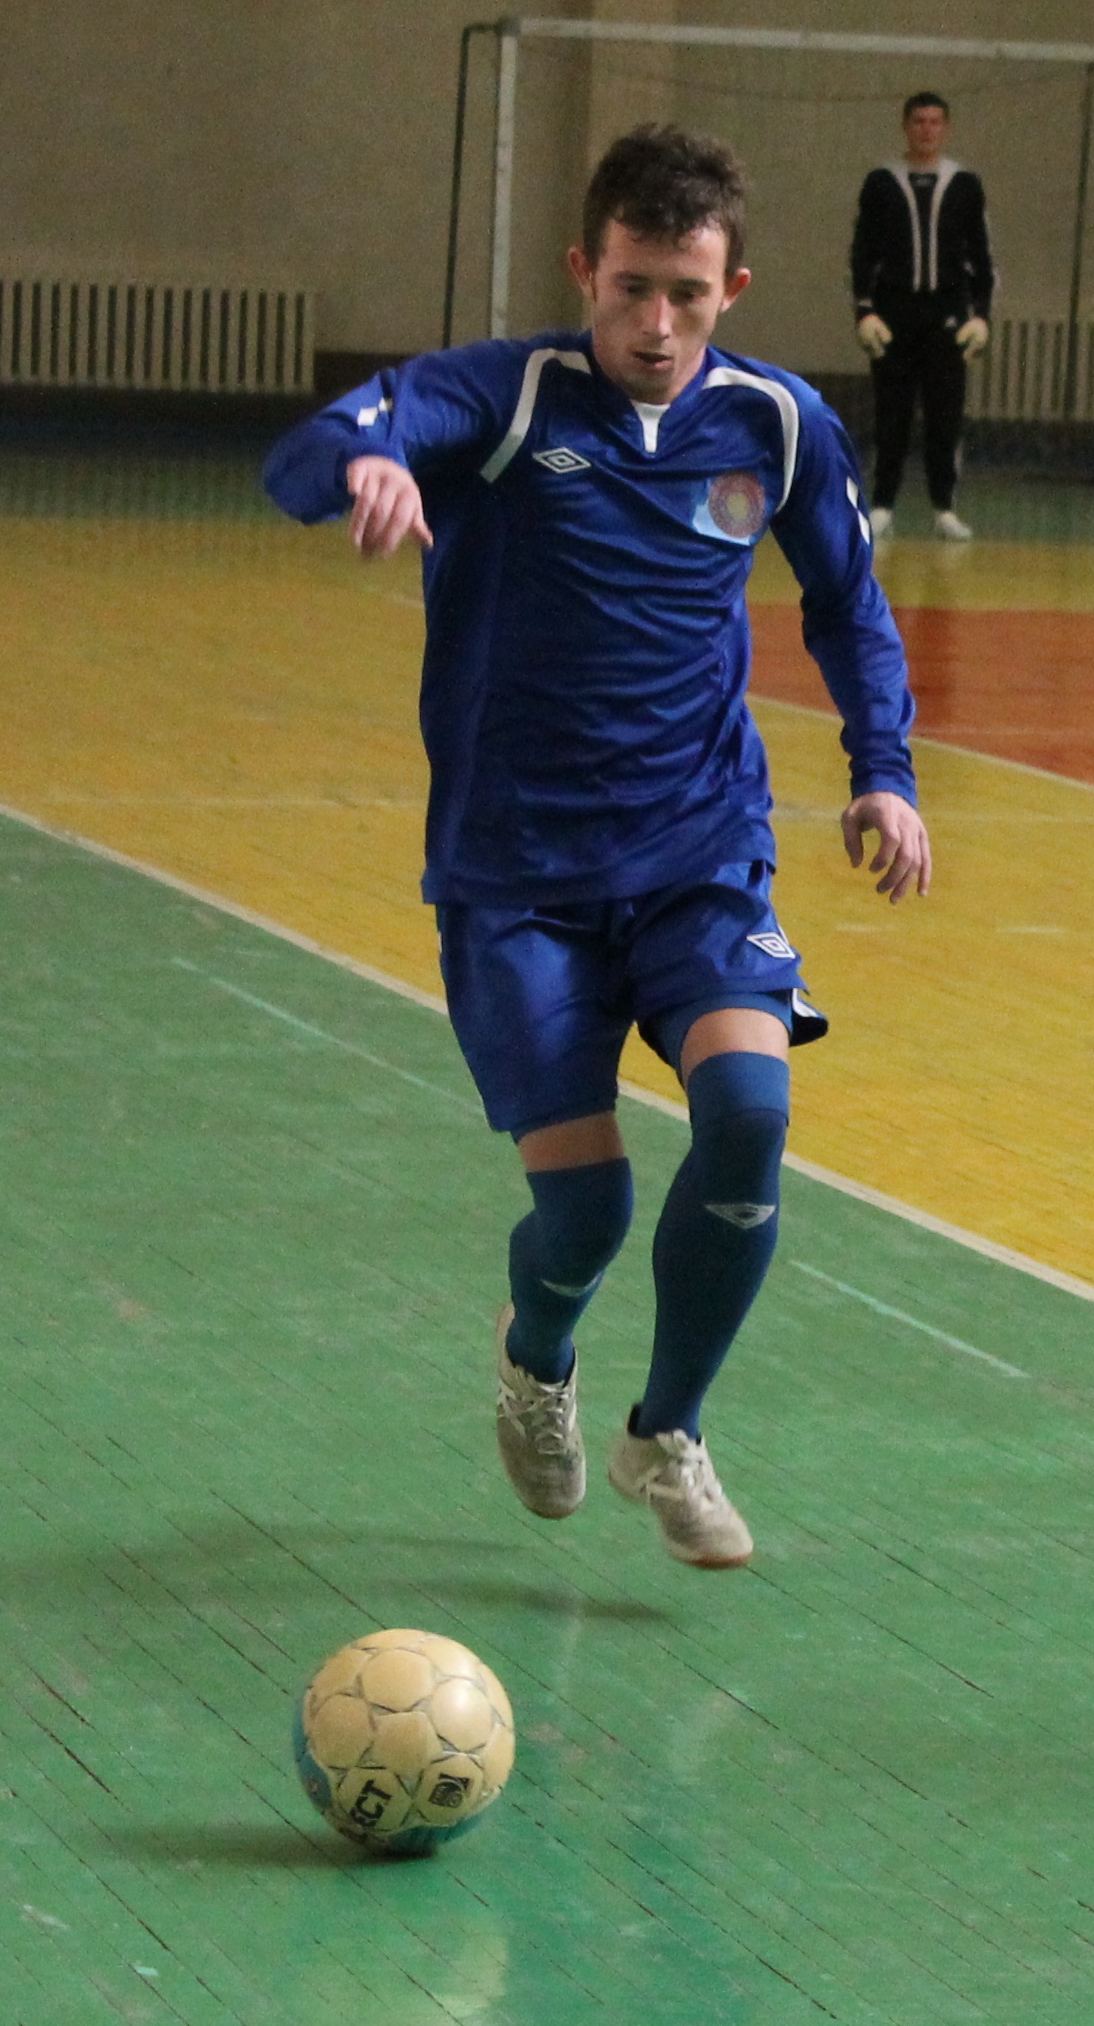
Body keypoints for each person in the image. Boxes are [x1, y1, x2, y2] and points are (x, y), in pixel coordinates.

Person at [263, 124, 930, 1571]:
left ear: (731, 286)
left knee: (748, 1116)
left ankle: (666, 1433)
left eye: (687, 294)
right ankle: (537, 1358)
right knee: (586, 1208)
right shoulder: (504, 398)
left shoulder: (777, 425)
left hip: (700, 853)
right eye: (631, 288)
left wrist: (884, 773)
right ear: (585, 269)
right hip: (517, 882)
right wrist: (363, 470)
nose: (656, 324)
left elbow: (849, 606)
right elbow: (303, 455)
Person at [848, 91, 994, 542]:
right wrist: (864, 310)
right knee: (890, 412)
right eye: (919, 121)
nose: (927, 129)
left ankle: (944, 507)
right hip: (894, 314)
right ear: (905, 126)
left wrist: (981, 315)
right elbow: (863, 251)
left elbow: (981, 255)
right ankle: (882, 505)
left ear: (945, 128)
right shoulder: (881, 183)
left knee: (945, 414)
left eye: (935, 122)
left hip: (947, 315)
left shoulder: (965, 185)